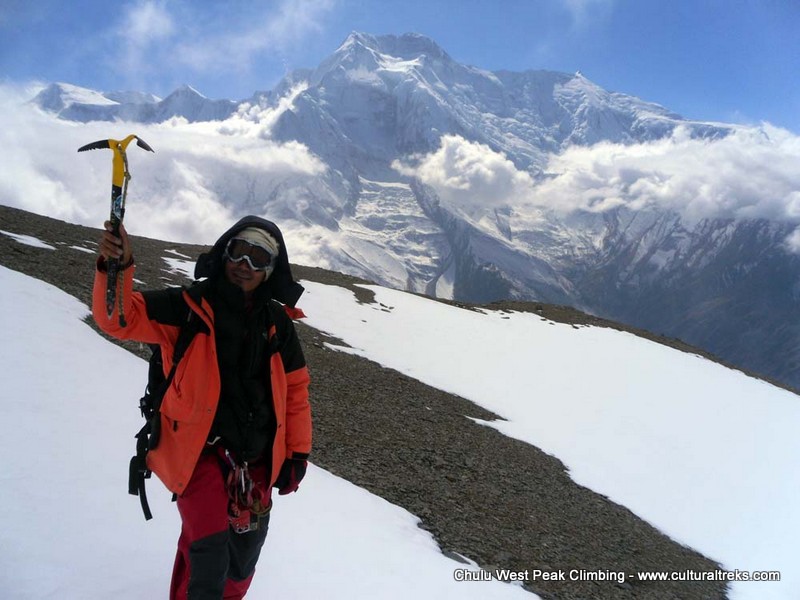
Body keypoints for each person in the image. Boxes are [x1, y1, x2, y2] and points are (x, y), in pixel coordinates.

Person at [93, 216, 312, 599]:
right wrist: (118, 266)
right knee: (209, 556)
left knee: (240, 563)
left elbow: (295, 392)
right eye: (238, 251)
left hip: (257, 462)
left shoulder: (277, 324)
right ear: (224, 253)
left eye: (258, 257)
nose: (244, 264)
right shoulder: (186, 308)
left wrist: (296, 455)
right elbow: (118, 319)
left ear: (270, 270)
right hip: (199, 457)